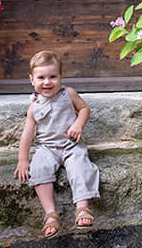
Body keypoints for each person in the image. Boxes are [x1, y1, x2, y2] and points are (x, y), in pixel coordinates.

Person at [14, 50, 100, 237]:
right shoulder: (34, 106)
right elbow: (27, 134)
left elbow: (84, 109)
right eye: (41, 77)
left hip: (71, 144)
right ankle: (51, 214)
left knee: (80, 166)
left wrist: (78, 124)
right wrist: (23, 160)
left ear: (61, 77)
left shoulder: (68, 94)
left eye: (53, 77)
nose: (47, 82)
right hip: (47, 148)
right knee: (39, 169)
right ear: (32, 80)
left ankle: (82, 208)